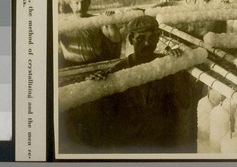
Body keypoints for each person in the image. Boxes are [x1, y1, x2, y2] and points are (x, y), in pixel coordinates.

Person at [80, 15, 195, 152]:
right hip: (131, 142)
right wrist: (95, 84)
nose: (147, 43)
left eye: (152, 38)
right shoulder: (118, 70)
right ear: (131, 39)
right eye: (141, 38)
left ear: (158, 38)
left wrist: (178, 66)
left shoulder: (166, 64)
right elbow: (103, 117)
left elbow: (185, 101)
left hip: (163, 141)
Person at [58, 0, 121, 67]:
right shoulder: (64, 23)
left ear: (89, 3)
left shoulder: (97, 20)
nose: (80, 7)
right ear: (71, 4)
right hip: (71, 64)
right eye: (76, 3)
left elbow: (115, 38)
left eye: (83, 3)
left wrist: (110, 20)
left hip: (94, 63)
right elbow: (55, 46)